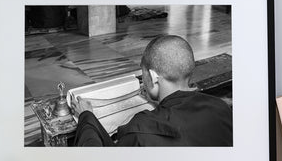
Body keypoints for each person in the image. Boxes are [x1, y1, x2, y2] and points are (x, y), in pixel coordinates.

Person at [73, 35, 233, 147]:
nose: (143, 83)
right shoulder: (222, 108)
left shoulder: (141, 131)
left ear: (153, 77)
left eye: (143, 76)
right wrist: (158, 99)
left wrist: (86, 117)